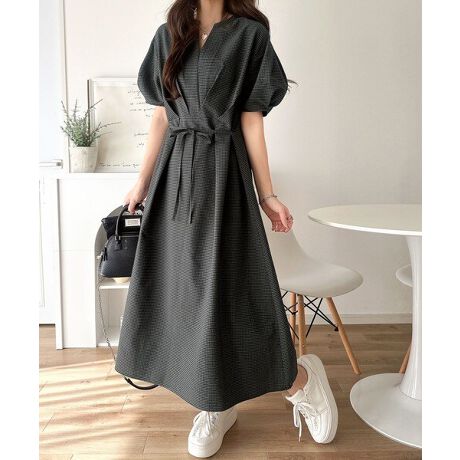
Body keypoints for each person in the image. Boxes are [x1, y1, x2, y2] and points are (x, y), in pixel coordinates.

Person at [115, 1, 338, 457]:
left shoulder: (249, 36)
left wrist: (267, 194)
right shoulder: (168, 34)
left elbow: (251, 119)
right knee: (182, 295)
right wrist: (141, 182)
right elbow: (161, 115)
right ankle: (214, 402)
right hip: (174, 178)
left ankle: (300, 380)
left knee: (232, 292)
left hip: (222, 176)